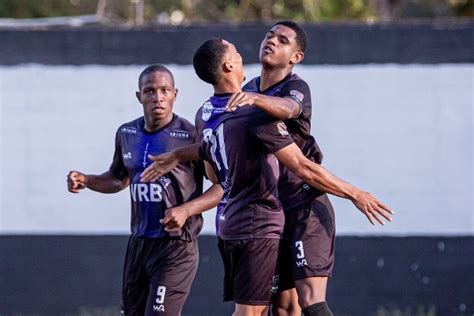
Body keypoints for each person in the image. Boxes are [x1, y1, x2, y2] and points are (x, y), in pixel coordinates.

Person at [141, 39, 393, 316]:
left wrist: (180, 155)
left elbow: (213, 171)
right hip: (257, 223)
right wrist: (356, 194)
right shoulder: (254, 113)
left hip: (230, 223)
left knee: (283, 307)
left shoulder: (204, 113)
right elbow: (303, 167)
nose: (241, 55)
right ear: (229, 65)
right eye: (236, 53)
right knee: (252, 312)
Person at [67, 64, 223, 316]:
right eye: (150, 91)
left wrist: (185, 210)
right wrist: (87, 180)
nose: (157, 97)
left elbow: (220, 187)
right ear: (139, 96)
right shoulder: (127, 133)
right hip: (139, 243)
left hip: (176, 245)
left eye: (164, 90)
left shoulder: (192, 135)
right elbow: (118, 179)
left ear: (175, 94)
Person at [225, 21, 337, 316]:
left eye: (282, 40)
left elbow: (289, 109)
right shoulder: (246, 90)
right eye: (269, 35)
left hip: (304, 205)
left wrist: (256, 99)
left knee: (312, 301)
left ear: (295, 57)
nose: (272, 41)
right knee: (285, 306)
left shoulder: (295, 87)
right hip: (269, 214)